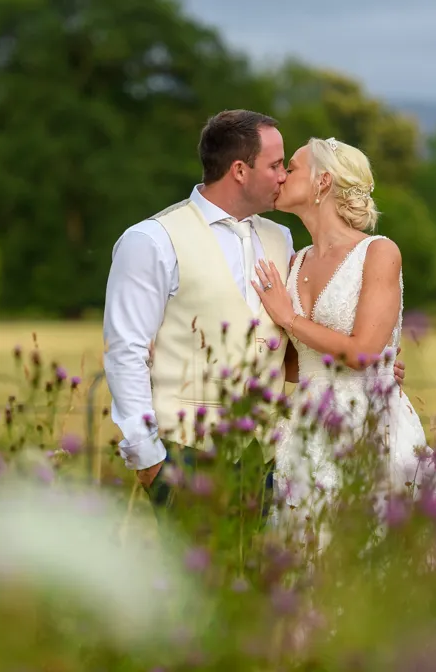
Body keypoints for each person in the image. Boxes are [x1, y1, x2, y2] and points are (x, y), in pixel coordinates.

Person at [102, 112, 406, 531]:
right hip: (184, 450)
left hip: (268, 455)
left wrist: (371, 366)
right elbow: (126, 350)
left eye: (288, 166)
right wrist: (147, 456)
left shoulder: (280, 241)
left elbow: (283, 345)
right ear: (240, 170)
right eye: (276, 165)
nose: (282, 176)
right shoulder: (152, 240)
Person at [251, 136, 436, 553]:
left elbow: (363, 351)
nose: (282, 174)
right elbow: (296, 364)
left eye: (293, 166)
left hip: (367, 425)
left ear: (323, 181)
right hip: (306, 430)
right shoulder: (295, 262)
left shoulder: (378, 252)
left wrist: (289, 317)